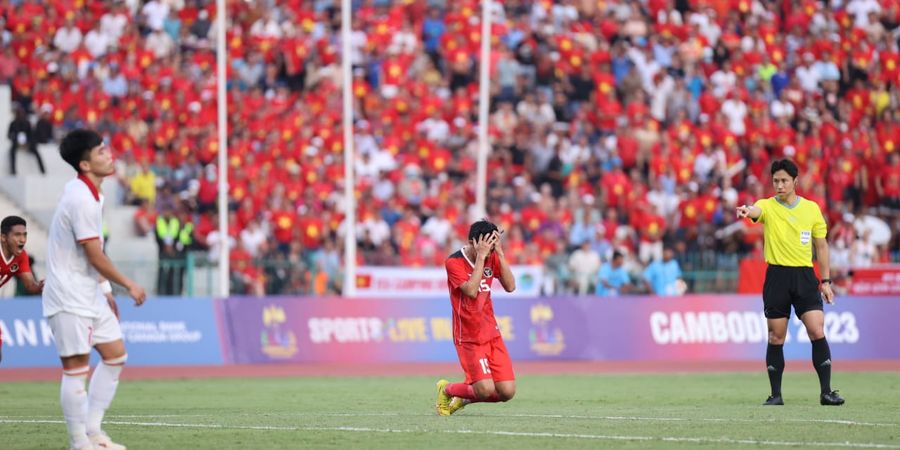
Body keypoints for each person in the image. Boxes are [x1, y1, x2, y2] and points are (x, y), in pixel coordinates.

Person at [43, 129, 147, 450]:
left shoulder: (93, 194)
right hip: (68, 295)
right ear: (85, 164)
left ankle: (93, 433)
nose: (109, 154)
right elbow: (93, 253)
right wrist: (127, 284)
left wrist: (103, 288)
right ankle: (79, 443)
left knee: (116, 356)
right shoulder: (79, 198)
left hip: (88, 291)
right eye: (101, 152)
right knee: (76, 370)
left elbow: (92, 251)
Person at [736, 159, 844, 406]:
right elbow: (756, 210)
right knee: (776, 337)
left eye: (784, 180)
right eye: (776, 181)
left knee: (817, 329)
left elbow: (822, 246)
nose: (779, 185)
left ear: (795, 181)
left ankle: (826, 392)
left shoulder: (811, 209)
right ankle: (776, 395)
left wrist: (825, 281)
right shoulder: (767, 206)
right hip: (777, 277)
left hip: (805, 277)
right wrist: (747, 210)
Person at [435, 220, 516, 416]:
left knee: (507, 392)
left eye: (492, 246)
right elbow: (471, 291)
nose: (490, 252)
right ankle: (446, 389)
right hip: (469, 337)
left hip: (491, 333)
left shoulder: (493, 255)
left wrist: (501, 253)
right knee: (485, 390)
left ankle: (462, 399)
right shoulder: (453, 262)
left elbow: (511, 286)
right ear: (472, 242)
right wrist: (481, 257)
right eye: (486, 246)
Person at [0, 215, 45, 365]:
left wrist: (45, 286)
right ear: (3, 238)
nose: (22, 239)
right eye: (17, 235)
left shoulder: (21, 257)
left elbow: (31, 286)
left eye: (24, 235)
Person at [8, 104, 46, 175]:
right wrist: (15, 139)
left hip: (27, 143)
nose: (20, 115)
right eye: (19, 113)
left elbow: (31, 134)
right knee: (12, 151)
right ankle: (13, 170)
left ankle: (43, 170)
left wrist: (28, 143)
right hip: (16, 143)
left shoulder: (27, 123)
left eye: (22, 113)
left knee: (36, 151)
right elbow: (9, 135)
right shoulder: (13, 123)